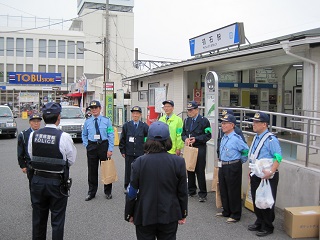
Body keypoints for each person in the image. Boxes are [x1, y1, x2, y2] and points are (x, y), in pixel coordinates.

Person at [125, 121, 188, 240]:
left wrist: (129, 213)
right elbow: (182, 191)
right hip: (169, 213)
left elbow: (132, 191)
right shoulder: (178, 162)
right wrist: (183, 212)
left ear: (148, 139)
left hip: (144, 213)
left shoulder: (139, 162)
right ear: (168, 139)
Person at [28, 102, 77, 240]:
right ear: (59, 117)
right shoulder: (64, 136)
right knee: (57, 221)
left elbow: (32, 156)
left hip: (37, 181)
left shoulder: (34, 135)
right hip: (57, 182)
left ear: (43, 117)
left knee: (38, 220)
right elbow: (71, 160)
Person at [247, 112, 282, 237]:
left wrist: (271, 171)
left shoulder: (271, 139)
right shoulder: (256, 137)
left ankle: (268, 226)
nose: (254, 124)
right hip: (256, 173)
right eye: (254, 122)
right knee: (257, 199)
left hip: (268, 175)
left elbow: (278, 157)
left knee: (266, 200)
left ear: (264, 124)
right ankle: (259, 221)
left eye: (257, 122)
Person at [216, 114, 248, 223]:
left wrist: (241, 161)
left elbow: (245, 150)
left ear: (232, 125)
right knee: (223, 188)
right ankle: (226, 211)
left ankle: (235, 214)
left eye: (225, 123)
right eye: (222, 123)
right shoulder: (224, 137)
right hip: (223, 165)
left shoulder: (236, 138)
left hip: (233, 165)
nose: (222, 125)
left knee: (233, 190)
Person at [82, 100, 114, 201]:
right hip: (92, 146)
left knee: (106, 169)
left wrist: (110, 149)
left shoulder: (106, 120)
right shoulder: (87, 122)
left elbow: (111, 135)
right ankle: (91, 192)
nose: (94, 110)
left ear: (100, 109)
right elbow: (84, 135)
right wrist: (87, 145)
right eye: (92, 108)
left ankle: (108, 191)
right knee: (92, 170)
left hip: (103, 145)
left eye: (96, 108)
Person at [181, 101, 211, 202]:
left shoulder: (204, 121)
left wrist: (197, 139)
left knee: (200, 170)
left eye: (191, 110)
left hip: (199, 147)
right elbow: (183, 133)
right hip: (189, 147)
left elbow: (208, 135)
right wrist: (185, 139)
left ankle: (202, 193)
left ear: (197, 110)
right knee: (189, 169)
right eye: (188, 110)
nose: (189, 112)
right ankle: (191, 190)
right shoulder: (186, 121)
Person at [119, 106, 149, 193]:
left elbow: (148, 139)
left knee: (141, 170)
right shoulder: (126, 125)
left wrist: (147, 151)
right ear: (132, 114)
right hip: (129, 152)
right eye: (134, 113)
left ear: (140, 114)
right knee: (129, 170)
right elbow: (122, 139)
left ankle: (140, 186)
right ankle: (128, 186)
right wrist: (122, 150)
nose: (135, 115)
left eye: (137, 113)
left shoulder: (144, 126)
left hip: (141, 152)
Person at [17, 113, 42, 192]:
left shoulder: (43, 133)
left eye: (38, 121)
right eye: (34, 121)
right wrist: (23, 166)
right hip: (30, 164)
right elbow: (20, 151)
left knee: (42, 184)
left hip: (42, 164)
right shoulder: (24, 134)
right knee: (33, 184)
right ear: (30, 122)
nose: (36, 123)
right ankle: (34, 202)